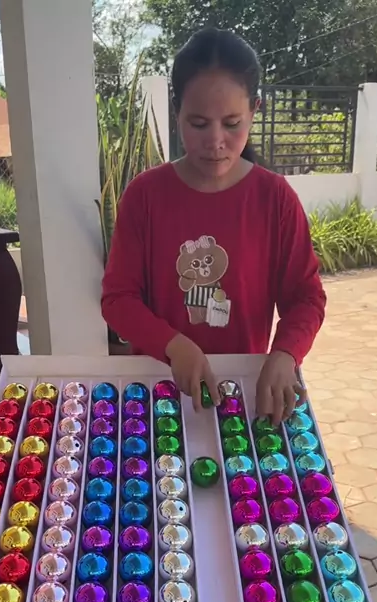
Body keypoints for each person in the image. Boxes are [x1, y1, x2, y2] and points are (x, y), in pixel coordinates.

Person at [101, 28, 326, 423]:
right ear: (177, 113)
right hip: (158, 392)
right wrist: (173, 345)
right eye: (199, 123)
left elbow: (306, 298)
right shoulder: (144, 196)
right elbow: (118, 299)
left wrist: (285, 353)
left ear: (254, 110)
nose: (216, 140)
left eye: (232, 122)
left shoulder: (275, 199)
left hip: (245, 392)